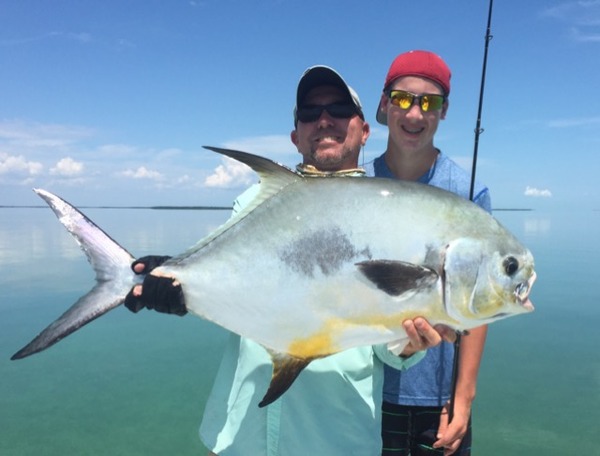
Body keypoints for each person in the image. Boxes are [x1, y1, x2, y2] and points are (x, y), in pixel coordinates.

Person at [125, 65, 454, 455]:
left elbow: (387, 348)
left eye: (339, 110)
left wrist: (410, 343)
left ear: (365, 130)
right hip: (240, 437)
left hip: (337, 439)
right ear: (296, 136)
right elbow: (223, 279)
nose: (325, 120)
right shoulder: (254, 201)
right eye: (310, 113)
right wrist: (173, 283)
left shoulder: (391, 214)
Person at [367, 50, 492, 456]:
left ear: (444, 111)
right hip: (366, 390)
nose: (415, 114)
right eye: (403, 98)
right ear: (385, 104)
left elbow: (479, 303)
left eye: (429, 102)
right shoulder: (359, 184)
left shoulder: (468, 193)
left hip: (439, 399)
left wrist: (463, 398)